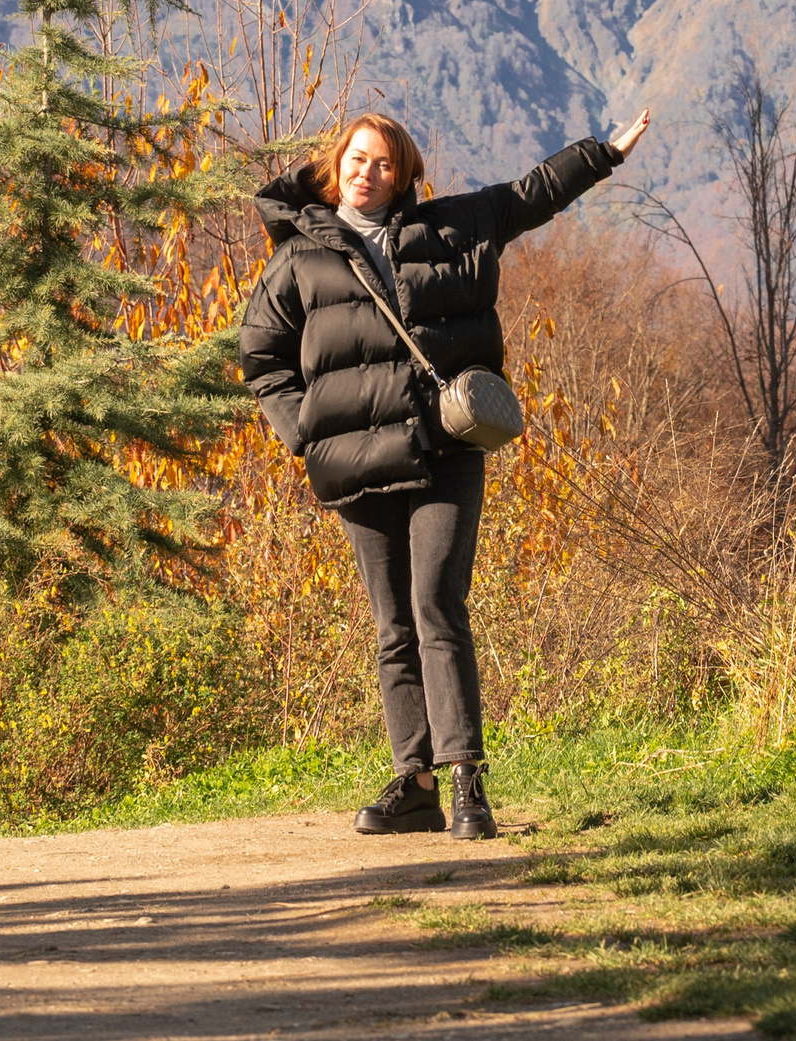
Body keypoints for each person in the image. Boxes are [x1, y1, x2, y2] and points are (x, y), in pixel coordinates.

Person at [237, 108, 652, 838]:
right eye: (359, 159)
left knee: (435, 602)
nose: (370, 172)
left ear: (404, 177)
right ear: (337, 167)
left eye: (385, 164)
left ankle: (466, 781)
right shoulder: (298, 258)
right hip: (355, 461)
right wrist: (304, 431)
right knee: (392, 622)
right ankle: (415, 781)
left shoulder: (447, 226)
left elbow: (527, 197)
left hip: (443, 447)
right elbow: (262, 357)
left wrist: (602, 152)